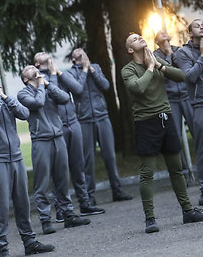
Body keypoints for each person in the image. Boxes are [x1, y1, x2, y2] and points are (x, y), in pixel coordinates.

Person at [122, 32, 203, 233]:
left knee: (176, 169)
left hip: (166, 117)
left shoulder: (156, 59)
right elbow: (138, 88)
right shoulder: (128, 69)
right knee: (147, 173)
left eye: (139, 36)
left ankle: (188, 211)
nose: (139, 39)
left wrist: (159, 65)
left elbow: (181, 77)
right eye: (134, 40)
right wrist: (151, 67)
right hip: (146, 123)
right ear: (130, 50)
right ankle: (150, 219)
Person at [0, 74, 54, 257]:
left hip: (16, 158)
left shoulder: (3, 100)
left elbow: (25, 114)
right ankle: (3, 248)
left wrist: (4, 97)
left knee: (23, 203)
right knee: (1, 206)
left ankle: (30, 242)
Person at [18, 65, 91, 234]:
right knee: (42, 182)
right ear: (25, 79)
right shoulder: (23, 94)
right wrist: (42, 86)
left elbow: (65, 97)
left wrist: (49, 85)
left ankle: (69, 215)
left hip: (58, 137)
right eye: (29, 69)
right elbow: (37, 103)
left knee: (62, 179)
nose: (32, 67)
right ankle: (45, 220)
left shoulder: (47, 87)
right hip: (41, 140)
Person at [33, 52, 106, 215]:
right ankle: (61, 210)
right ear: (37, 63)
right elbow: (53, 96)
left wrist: (58, 72)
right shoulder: (38, 80)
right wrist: (51, 75)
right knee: (60, 170)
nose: (44, 53)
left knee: (79, 166)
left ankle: (85, 204)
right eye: (40, 54)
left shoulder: (61, 74)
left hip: (73, 122)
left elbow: (77, 89)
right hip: (58, 128)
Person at [67, 48, 133, 204]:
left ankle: (117, 190)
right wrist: (84, 71)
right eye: (81, 56)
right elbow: (78, 89)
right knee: (88, 160)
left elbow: (105, 86)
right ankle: (90, 196)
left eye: (85, 55)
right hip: (84, 120)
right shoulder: (70, 74)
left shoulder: (95, 67)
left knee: (110, 156)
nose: (85, 58)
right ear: (74, 60)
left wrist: (91, 70)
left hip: (102, 116)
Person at [174, 19, 203, 205]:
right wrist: (201, 56)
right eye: (196, 25)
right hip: (201, 104)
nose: (201, 26)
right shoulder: (182, 53)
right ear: (190, 33)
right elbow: (189, 77)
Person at [153, 30, 195, 181]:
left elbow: (181, 71)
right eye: (160, 34)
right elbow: (165, 72)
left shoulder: (179, 50)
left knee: (198, 131)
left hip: (186, 96)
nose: (163, 34)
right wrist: (167, 55)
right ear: (156, 41)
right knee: (175, 137)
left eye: (165, 33)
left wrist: (171, 53)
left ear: (170, 37)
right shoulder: (154, 55)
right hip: (170, 100)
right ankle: (183, 174)